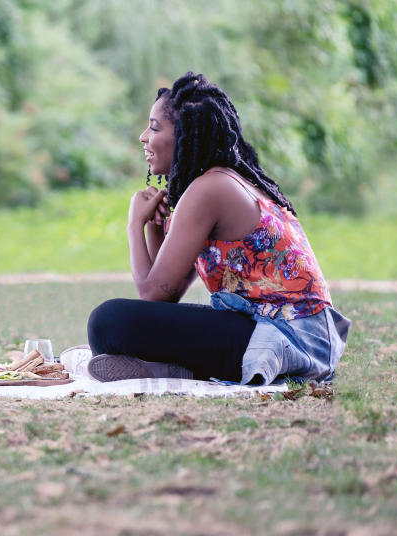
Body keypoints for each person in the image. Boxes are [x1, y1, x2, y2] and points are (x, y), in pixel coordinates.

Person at [87, 72, 350, 385]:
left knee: (108, 322)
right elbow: (164, 295)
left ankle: (171, 366)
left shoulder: (210, 189)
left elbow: (151, 295)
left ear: (184, 134)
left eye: (154, 127)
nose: (144, 137)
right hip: (289, 335)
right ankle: (174, 369)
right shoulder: (220, 182)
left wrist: (134, 225)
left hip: (287, 338)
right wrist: (154, 227)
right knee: (117, 322)